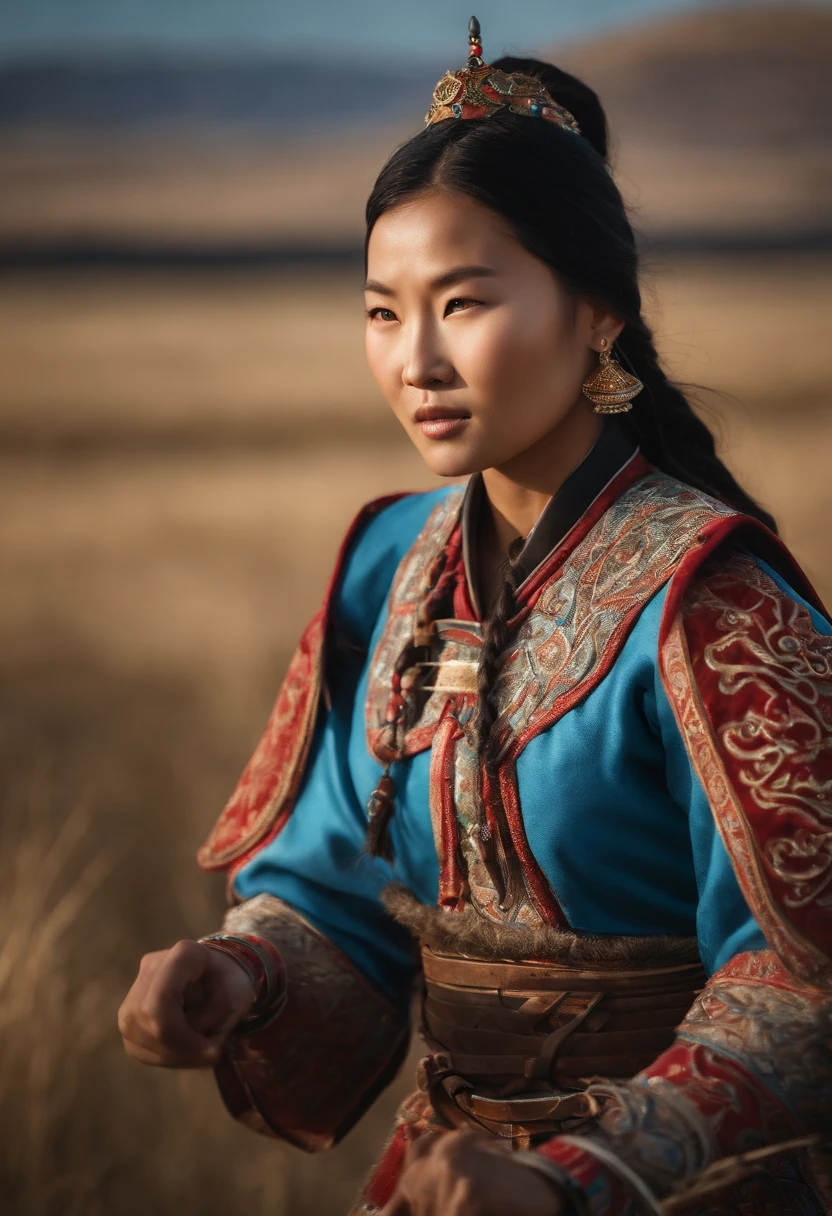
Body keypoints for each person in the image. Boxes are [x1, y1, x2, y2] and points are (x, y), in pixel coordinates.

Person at [118, 17, 832, 1216]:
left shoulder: (715, 601)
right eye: (383, 312)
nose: (416, 362)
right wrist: (241, 974)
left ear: (598, 313)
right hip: (446, 1181)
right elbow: (347, 895)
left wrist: (582, 1174)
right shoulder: (387, 569)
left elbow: (802, 979)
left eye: (463, 303)